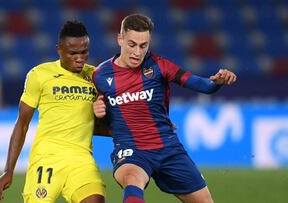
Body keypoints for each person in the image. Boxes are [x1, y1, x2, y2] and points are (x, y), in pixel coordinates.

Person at [93, 14, 237, 203]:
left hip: (168, 147)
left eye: (143, 46)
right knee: (132, 180)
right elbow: (93, 120)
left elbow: (203, 85)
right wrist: (96, 110)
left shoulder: (160, 66)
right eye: (132, 44)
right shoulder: (100, 76)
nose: (137, 52)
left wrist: (218, 82)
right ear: (120, 39)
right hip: (131, 149)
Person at [0, 21, 106, 203]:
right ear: (59, 49)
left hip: (81, 159)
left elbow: (97, 125)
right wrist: (8, 170)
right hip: (47, 159)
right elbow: (22, 125)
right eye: (73, 53)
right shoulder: (40, 75)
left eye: (84, 52)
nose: (80, 58)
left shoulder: (96, 78)